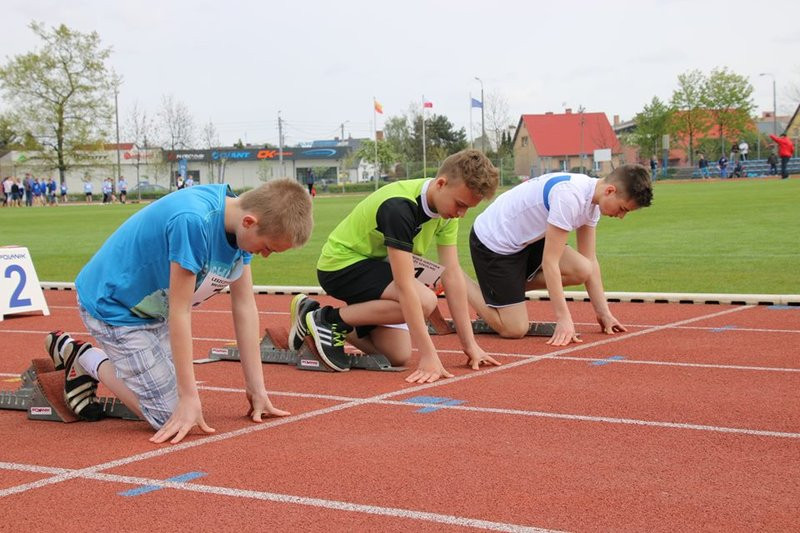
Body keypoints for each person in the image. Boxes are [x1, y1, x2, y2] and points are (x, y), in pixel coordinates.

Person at [44, 179, 313, 443]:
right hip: (114, 306)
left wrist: (257, 390)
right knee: (169, 416)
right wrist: (188, 396)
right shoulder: (194, 221)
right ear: (249, 222)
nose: (264, 255)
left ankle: (117, 364)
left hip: (153, 311)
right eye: (267, 248)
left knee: (183, 405)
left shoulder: (241, 227)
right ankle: (84, 358)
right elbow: (180, 312)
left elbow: (244, 305)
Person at [290, 149, 500, 383]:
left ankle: (314, 316)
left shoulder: (447, 212)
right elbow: (405, 284)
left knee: (397, 356)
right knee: (425, 301)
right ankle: (327, 319)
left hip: (378, 272)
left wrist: (470, 345)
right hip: (341, 266)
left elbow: (452, 275)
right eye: (460, 204)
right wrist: (429, 355)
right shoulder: (399, 207)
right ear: (441, 183)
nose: (461, 214)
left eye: (468, 208)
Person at [465, 165, 653, 346]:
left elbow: (591, 260)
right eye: (623, 209)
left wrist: (604, 313)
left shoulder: (593, 202)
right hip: (494, 243)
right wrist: (563, 319)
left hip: (528, 239)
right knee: (514, 329)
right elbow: (550, 262)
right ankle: (457, 280)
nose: (621, 216)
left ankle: (501, 295)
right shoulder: (570, 197)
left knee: (583, 269)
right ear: (610, 191)